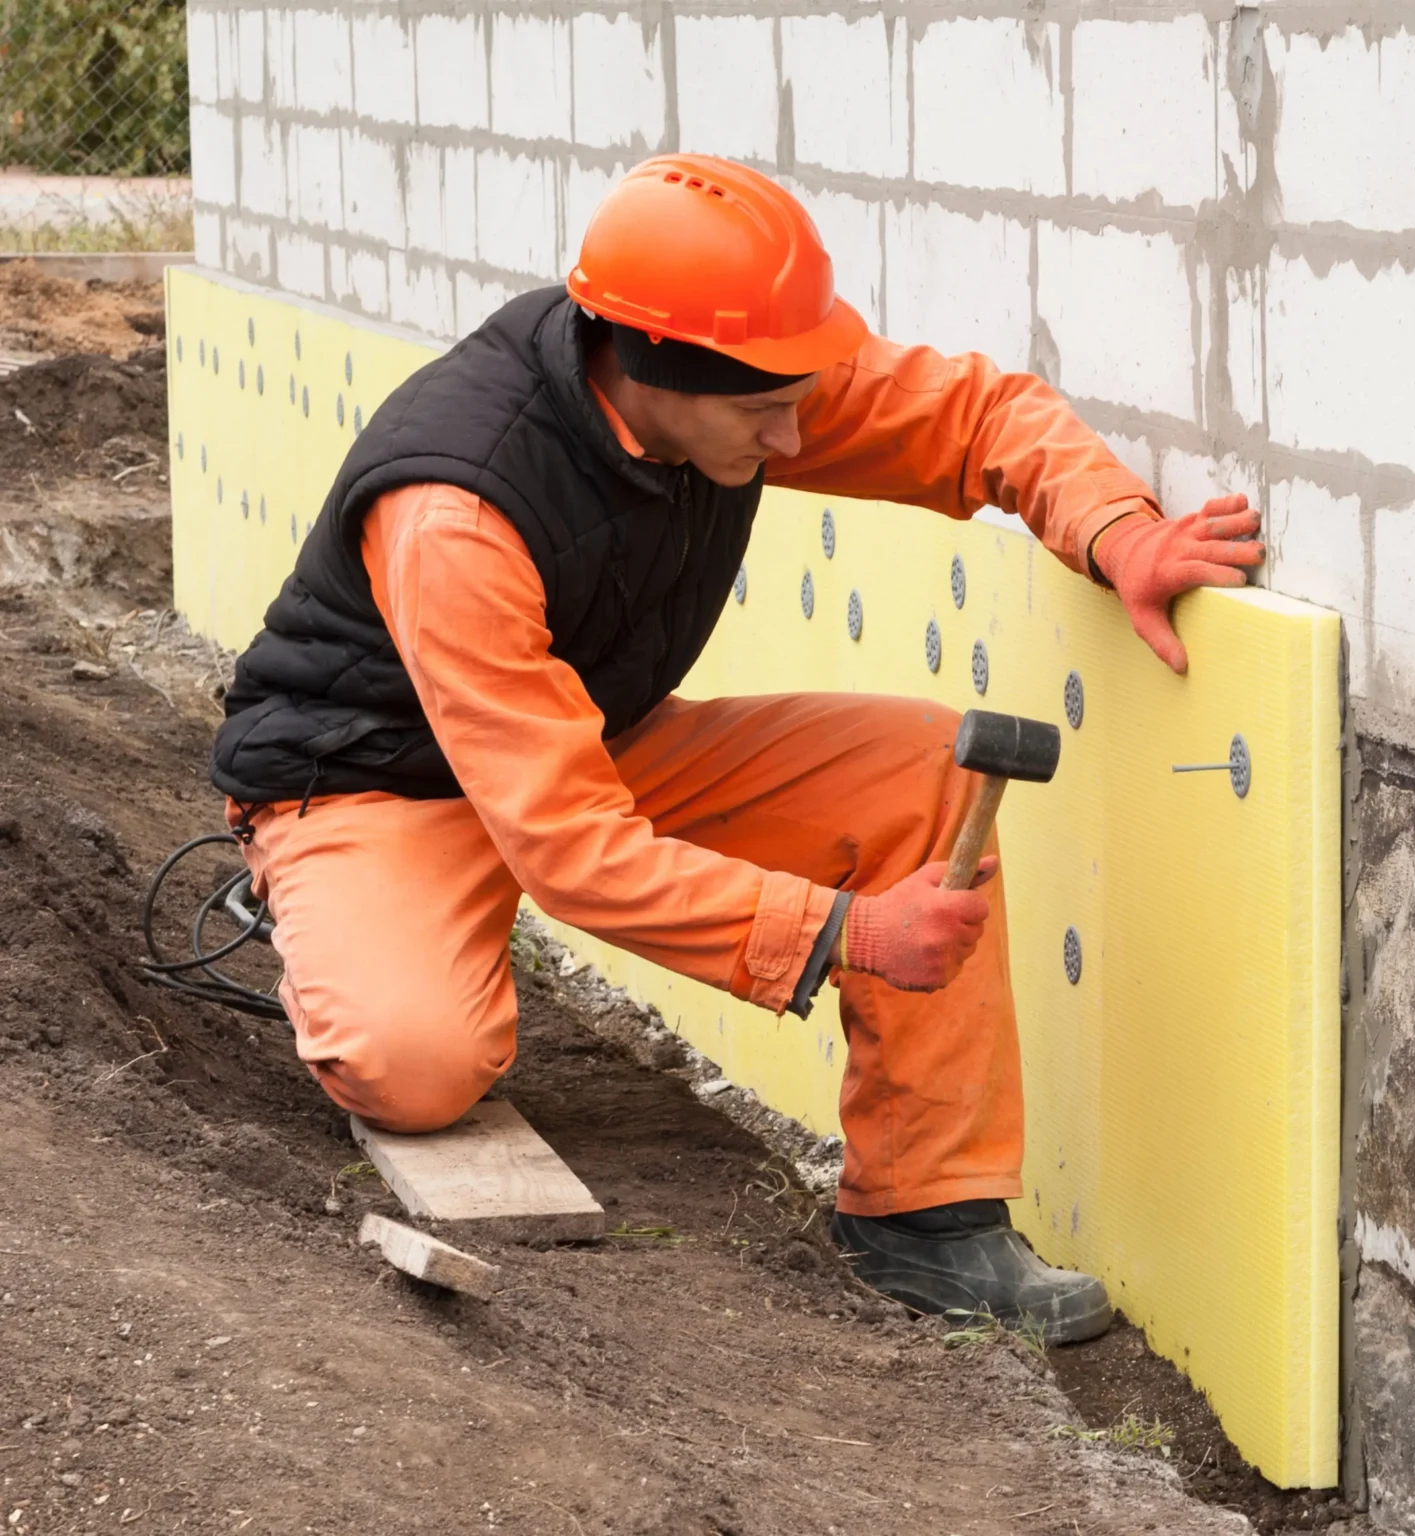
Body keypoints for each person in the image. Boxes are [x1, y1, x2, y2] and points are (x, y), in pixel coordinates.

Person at [206, 153, 1263, 1343]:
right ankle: (329, 908)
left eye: (800, 393)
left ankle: (928, 1221)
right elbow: (571, 849)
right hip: (376, 784)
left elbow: (976, 416)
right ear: (649, 370)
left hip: (586, 742)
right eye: (768, 413)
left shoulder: (739, 374)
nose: (801, 430)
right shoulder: (462, 509)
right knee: (414, 1064)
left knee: (926, 771)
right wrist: (848, 933)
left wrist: (1117, 532)